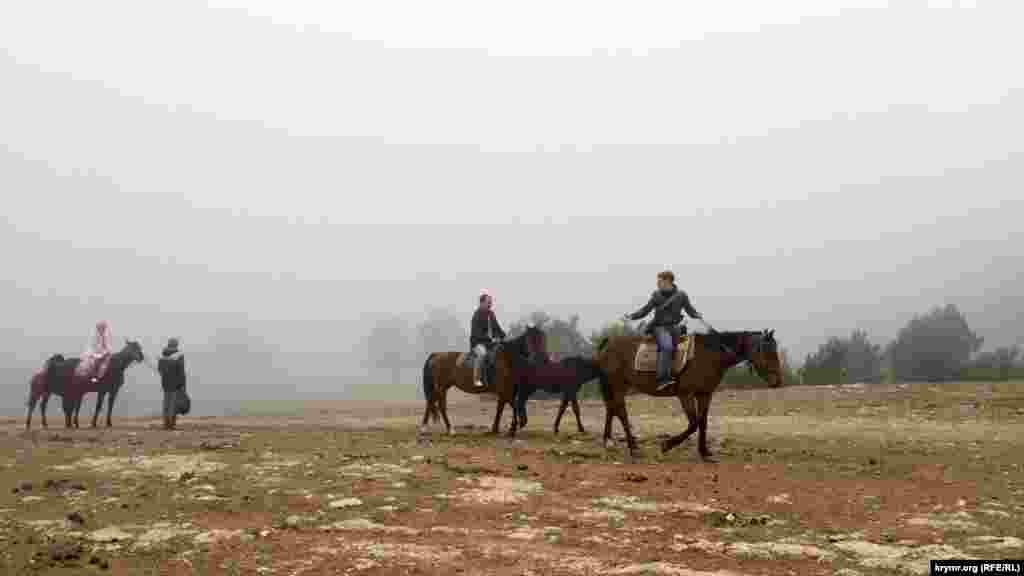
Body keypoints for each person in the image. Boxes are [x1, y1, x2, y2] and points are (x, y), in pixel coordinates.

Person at [623, 270, 702, 390]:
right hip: (659, 327)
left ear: (668, 281)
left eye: (659, 281)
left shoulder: (682, 295)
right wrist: (632, 316)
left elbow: (690, 310)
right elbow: (645, 310)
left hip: (676, 328)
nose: (657, 283)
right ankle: (662, 379)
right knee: (666, 347)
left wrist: (697, 315)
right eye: (658, 281)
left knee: (686, 349)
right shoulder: (656, 295)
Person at [470, 290, 506, 388]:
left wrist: (503, 335)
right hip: (478, 344)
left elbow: (497, 328)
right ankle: (476, 379)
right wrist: (489, 339)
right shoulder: (476, 315)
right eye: (488, 302)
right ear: (482, 303)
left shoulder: (491, 314)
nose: (490, 303)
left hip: (491, 343)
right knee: (482, 354)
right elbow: (476, 333)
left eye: (491, 302)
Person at [157, 338, 186, 430]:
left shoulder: (162, 356)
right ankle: (171, 424)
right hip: (176, 384)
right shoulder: (179, 355)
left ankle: (166, 424)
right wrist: (183, 385)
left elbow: (160, 370)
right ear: (176, 345)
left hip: (165, 384)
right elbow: (181, 371)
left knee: (166, 404)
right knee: (173, 405)